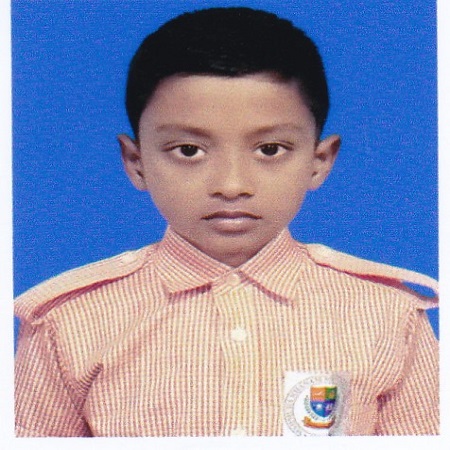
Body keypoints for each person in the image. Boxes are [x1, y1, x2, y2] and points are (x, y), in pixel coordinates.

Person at [14, 7, 438, 437]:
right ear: (136, 161)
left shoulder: (388, 315)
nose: (231, 185)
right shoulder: (68, 322)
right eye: (189, 151)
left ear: (319, 160)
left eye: (270, 150)